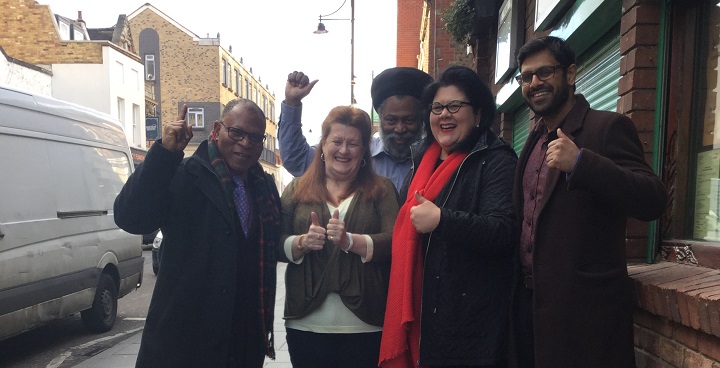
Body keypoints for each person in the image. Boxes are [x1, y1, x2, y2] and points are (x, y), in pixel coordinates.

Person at [510, 36, 667, 368]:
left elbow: (652, 199)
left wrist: (582, 164)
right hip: (528, 311)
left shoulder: (607, 128)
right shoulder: (534, 138)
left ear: (570, 74)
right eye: (526, 76)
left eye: (544, 72)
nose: (534, 82)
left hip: (585, 321)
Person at [113, 99, 281, 368]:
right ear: (217, 129)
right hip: (185, 341)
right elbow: (130, 217)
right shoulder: (183, 174)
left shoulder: (264, 187)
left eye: (255, 137)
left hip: (242, 338)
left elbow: (273, 243)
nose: (246, 143)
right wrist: (163, 155)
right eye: (236, 132)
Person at [379, 65, 518, 368]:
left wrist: (442, 220)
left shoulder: (496, 160)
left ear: (478, 113)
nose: (444, 115)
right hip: (426, 315)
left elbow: (504, 231)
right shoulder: (424, 160)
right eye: (437, 107)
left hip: (468, 325)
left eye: (455, 106)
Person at [279, 105, 400, 368]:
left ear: (363, 151)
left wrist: (351, 242)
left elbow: (396, 243)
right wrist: (300, 243)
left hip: (366, 325)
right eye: (337, 141)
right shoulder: (296, 189)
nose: (343, 150)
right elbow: (273, 241)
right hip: (305, 323)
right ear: (322, 145)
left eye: (353, 143)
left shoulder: (382, 190)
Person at [278, 67, 433, 191]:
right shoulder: (355, 153)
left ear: (421, 120)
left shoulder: (435, 159)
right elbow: (296, 159)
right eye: (391, 120)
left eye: (409, 120)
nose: (400, 128)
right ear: (380, 118)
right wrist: (292, 103)